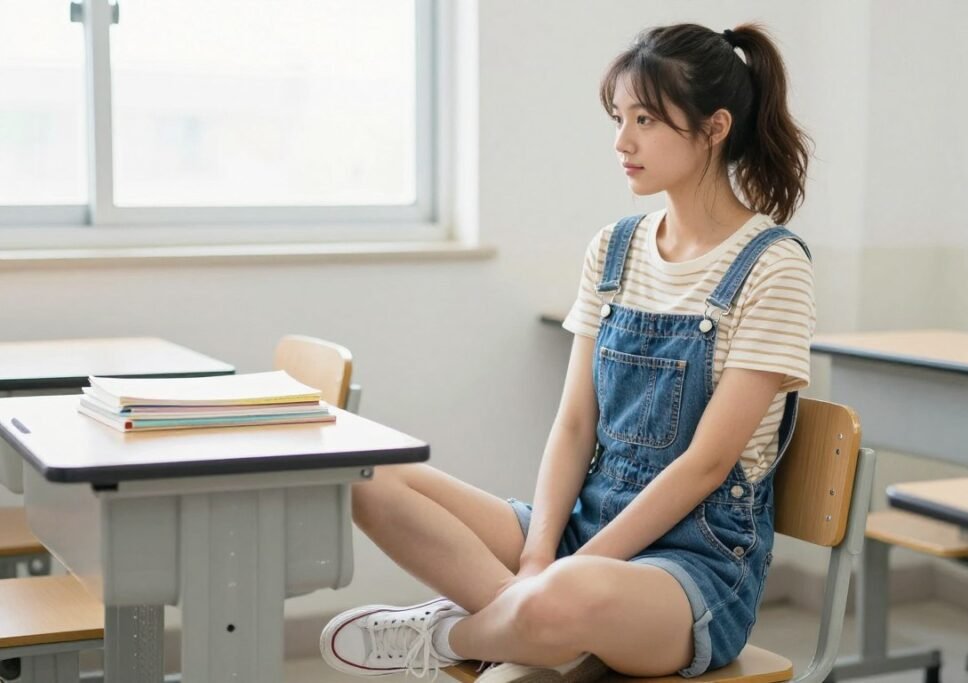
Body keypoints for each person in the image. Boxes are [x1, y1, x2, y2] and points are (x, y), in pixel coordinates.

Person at [320, 21, 814, 682]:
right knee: (369, 478)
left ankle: (456, 633)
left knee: (565, 594)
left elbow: (707, 463)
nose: (622, 141)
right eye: (618, 117)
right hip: (586, 521)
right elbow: (575, 425)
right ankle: (533, 625)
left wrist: (574, 567)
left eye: (645, 119)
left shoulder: (774, 267)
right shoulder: (614, 248)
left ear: (715, 126)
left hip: (697, 567)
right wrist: (539, 554)